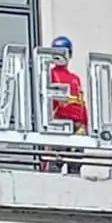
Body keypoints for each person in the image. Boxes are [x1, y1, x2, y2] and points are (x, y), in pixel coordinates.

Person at [40, 35, 88, 175]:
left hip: (77, 125)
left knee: (75, 162)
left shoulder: (75, 78)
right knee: (56, 159)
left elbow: (81, 101)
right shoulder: (50, 74)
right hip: (59, 122)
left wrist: (85, 123)